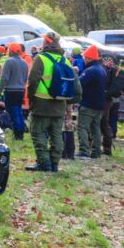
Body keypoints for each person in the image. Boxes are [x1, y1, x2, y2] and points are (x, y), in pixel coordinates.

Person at [26, 32, 81, 172]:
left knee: (38, 133)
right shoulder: (65, 60)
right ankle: (55, 163)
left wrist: (30, 100)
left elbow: (32, 81)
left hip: (41, 103)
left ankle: (44, 164)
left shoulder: (41, 58)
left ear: (45, 43)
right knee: (56, 134)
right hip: (60, 104)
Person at [77, 44, 107, 160]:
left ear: (89, 58)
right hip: (99, 105)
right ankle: (96, 152)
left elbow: (79, 84)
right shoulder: (102, 70)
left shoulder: (90, 70)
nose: (84, 59)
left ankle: (84, 151)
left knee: (82, 127)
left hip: (88, 104)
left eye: (85, 57)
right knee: (96, 129)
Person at [0, 42, 29, 140]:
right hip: (21, 90)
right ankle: (20, 131)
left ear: (10, 51)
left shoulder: (9, 61)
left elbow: (4, 78)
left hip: (11, 90)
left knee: (13, 111)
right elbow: (25, 79)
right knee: (18, 110)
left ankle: (18, 132)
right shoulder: (24, 62)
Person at [103, 58, 124, 154]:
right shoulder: (120, 71)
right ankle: (113, 134)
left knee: (106, 120)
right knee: (113, 118)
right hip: (116, 99)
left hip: (108, 100)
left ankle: (106, 138)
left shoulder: (107, 70)